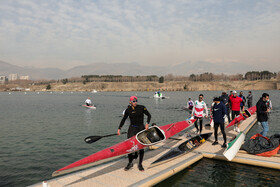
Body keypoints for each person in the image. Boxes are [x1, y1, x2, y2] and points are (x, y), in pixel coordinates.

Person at [118, 96, 151, 171]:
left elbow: (149, 115)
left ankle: (140, 164)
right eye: (133, 101)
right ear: (130, 102)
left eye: (136, 101)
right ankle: (130, 163)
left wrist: (147, 124)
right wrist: (119, 128)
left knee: (141, 146)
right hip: (132, 128)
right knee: (129, 146)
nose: (135, 102)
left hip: (141, 128)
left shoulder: (142, 107)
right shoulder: (128, 110)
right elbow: (123, 119)